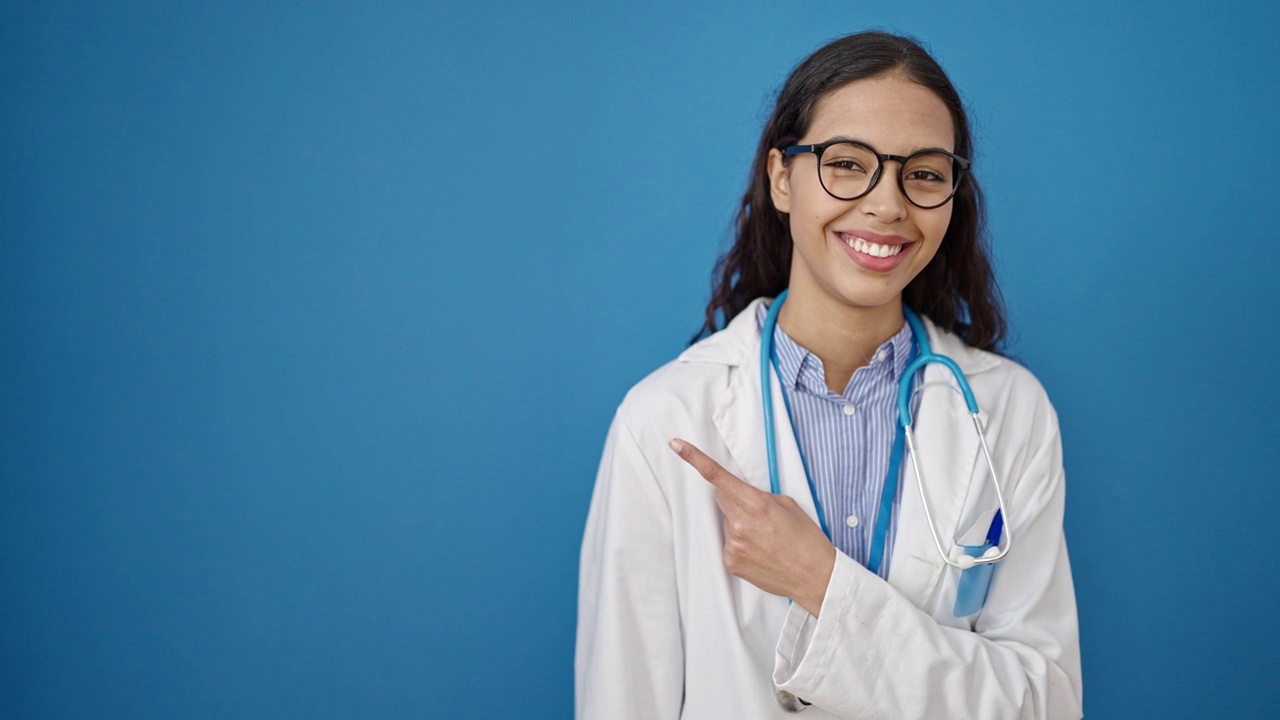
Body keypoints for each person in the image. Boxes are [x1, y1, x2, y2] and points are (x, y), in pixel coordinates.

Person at [576, 31, 1082, 719]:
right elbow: (623, 699)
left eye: (925, 174)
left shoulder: (1010, 412)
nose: (888, 205)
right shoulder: (666, 420)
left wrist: (821, 582)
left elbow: (1044, 701)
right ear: (782, 178)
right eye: (848, 164)